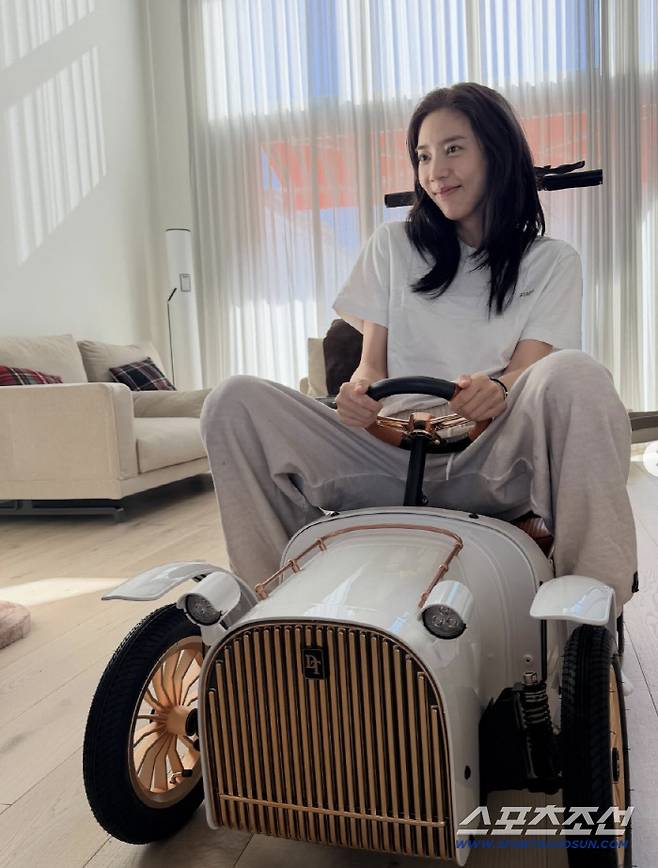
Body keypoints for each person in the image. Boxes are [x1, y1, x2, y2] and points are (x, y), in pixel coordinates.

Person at [201, 82, 636, 613]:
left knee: (578, 372)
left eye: (453, 149)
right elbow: (370, 366)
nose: (435, 172)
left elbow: (530, 368)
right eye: (423, 156)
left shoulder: (551, 261)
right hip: (387, 452)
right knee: (232, 400)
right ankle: (275, 609)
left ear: (496, 154)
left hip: (487, 456)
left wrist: (498, 389)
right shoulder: (392, 245)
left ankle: (590, 612)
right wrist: (356, 395)